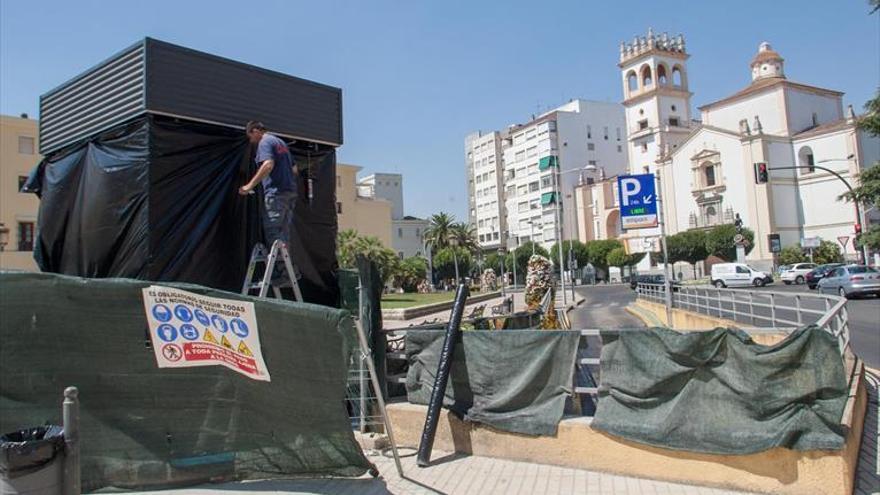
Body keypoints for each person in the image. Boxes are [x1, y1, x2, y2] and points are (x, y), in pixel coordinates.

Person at [239, 121, 298, 250]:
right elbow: (294, 169)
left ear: (255, 131)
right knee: (284, 233)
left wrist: (249, 186)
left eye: (250, 137)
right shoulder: (281, 143)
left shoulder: (265, 142)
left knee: (273, 232)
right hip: (289, 192)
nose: (251, 141)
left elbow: (268, 164)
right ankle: (285, 268)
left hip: (276, 193)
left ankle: (278, 268)